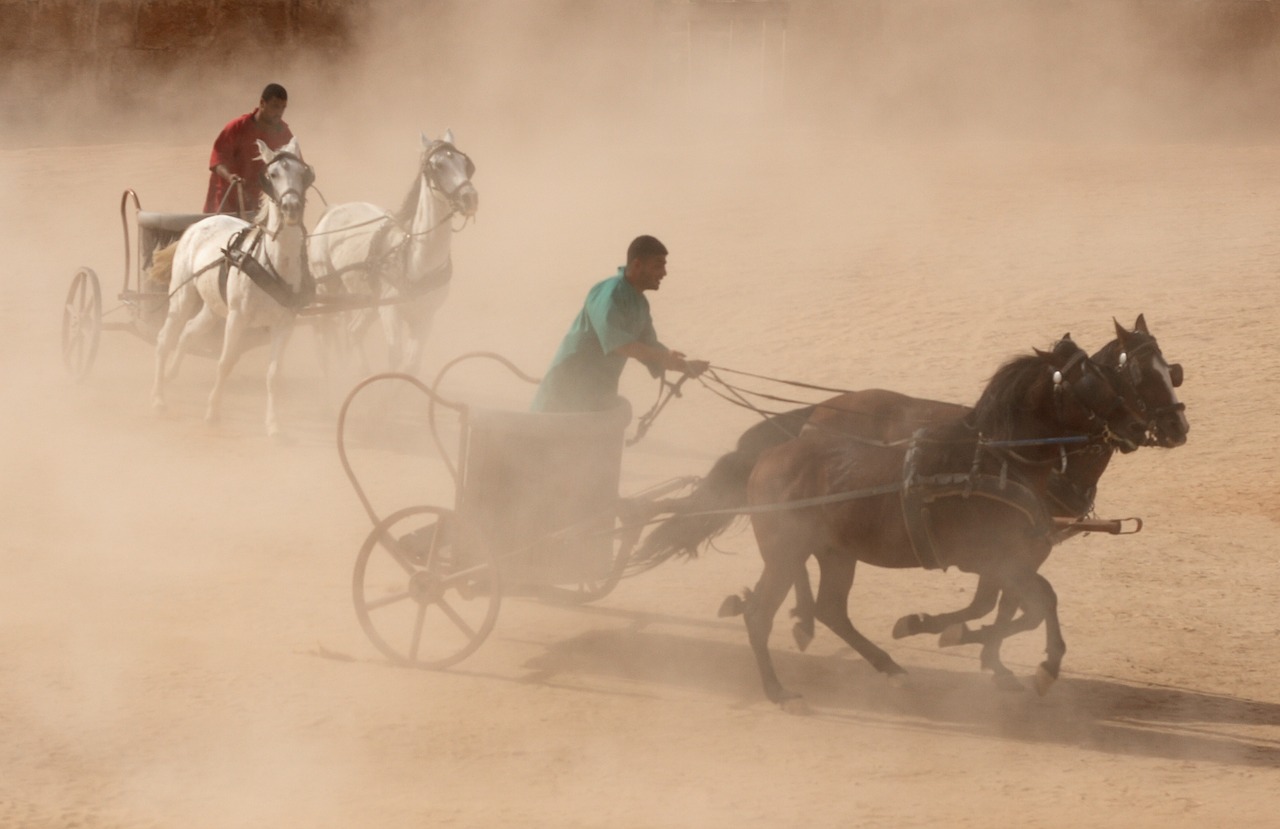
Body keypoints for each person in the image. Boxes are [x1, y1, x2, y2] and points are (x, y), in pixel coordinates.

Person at [531, 235, 709, 413]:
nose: (664, 273)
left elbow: (650, 349)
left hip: (595, 400)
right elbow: (619, 344)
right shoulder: (610, 293)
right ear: (638, 265)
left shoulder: (640, 304)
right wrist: (663, 357)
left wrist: (685, 366)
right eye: (658, 265)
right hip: (562, 396)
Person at [202, 83, 294, 214]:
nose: (279, 112)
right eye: (275, 106)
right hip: (227, 203)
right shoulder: (237, 127)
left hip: (261, 206)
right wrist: (229, 176)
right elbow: (218, 159)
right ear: (262, 103)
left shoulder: (284, 133)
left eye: (282, 108)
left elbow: (293, 163)